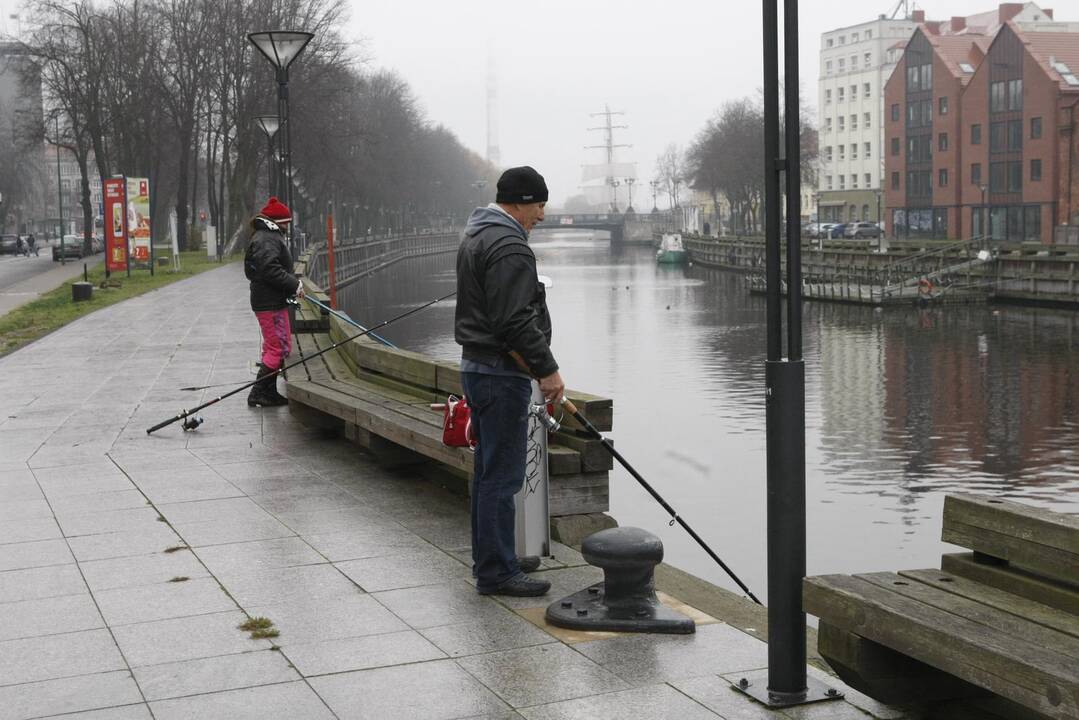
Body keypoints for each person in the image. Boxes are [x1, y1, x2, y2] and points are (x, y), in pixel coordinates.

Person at [455, 166, 565, 598]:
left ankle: (492, 559)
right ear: (520, 202)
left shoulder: (477, 235)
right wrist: (547, 369)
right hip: (501, 374)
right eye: (539, 205)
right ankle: (498, 572)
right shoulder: (510, 246)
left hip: (478, 367)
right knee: (502, 477)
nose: (541, 214)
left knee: (487, 474)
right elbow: (514, 319)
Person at [244, 196, 303, 407]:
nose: (289, 225)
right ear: (279, 221)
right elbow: (269, 269)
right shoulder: (267, 238)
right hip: (269, 303)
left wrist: (290, 286)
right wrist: (294, 284)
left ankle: (269, 391)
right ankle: (258, 393)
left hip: (271, 301)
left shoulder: (266, 236)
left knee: (278, 346)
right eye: (287, 222)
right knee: (277, 348)